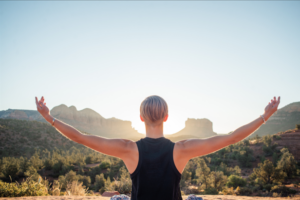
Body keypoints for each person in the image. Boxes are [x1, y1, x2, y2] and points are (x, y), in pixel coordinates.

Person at [35, 95, 280, 200]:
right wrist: (264, 116)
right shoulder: (181, 149)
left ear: (141, 118)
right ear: (166, 117)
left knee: (118, 198)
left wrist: (50, 118)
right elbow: (231, 138)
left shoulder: (128, 149)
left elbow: (80, 137)